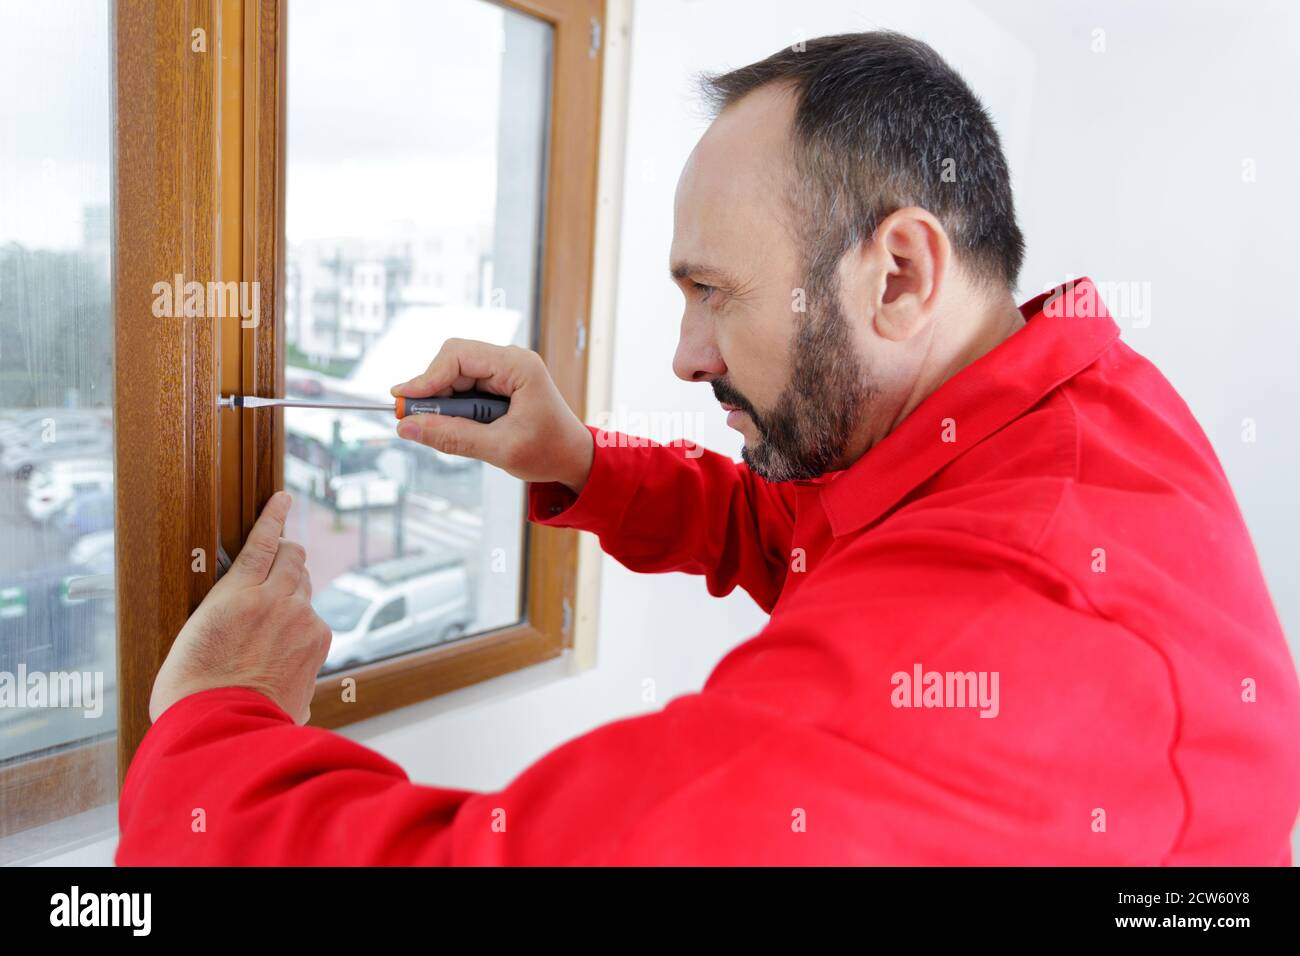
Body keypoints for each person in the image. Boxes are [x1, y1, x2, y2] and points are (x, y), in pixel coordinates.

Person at [116, 32, 1300, 865]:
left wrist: (211, 731)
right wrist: (575, 457)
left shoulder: (996, 638)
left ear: (897, 272)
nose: (687, 356)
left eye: (712, 293)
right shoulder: (1047, 419)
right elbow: (809, 530)